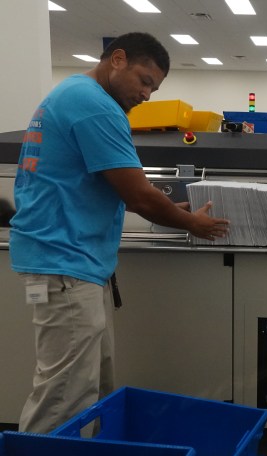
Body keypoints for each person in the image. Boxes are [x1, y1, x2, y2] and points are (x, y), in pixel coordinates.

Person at [9, 32, 230, 433]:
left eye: (155, 88)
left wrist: (172, 210)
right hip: (66, 265)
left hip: (69, 263)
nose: (147, 94)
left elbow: (104, 183)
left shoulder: (75, 93)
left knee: (91, 388)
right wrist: (191, 223)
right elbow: (139, 195)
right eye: (144, 80)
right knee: (64, 396)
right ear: (118, 59)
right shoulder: (95, 106)